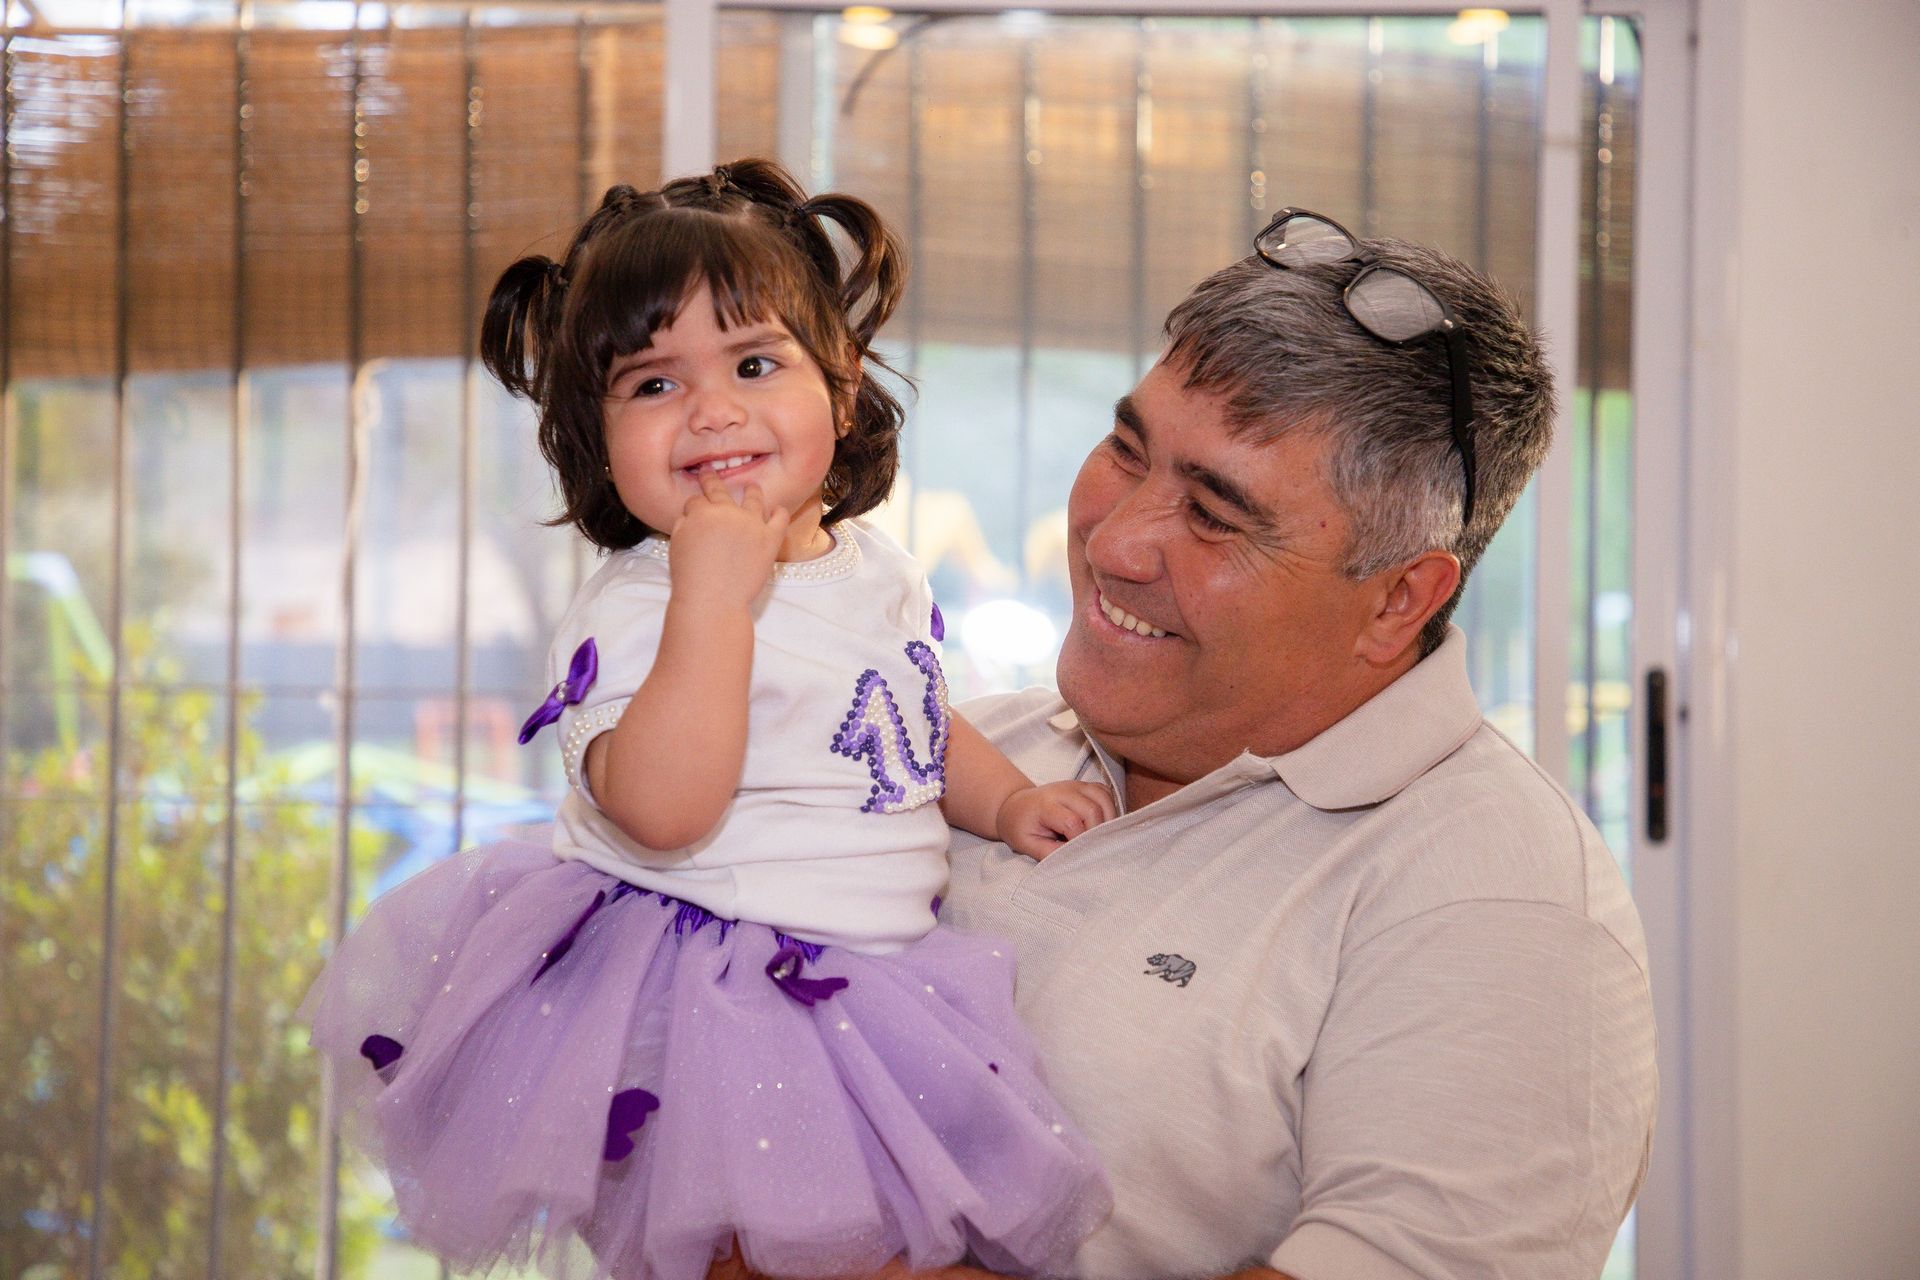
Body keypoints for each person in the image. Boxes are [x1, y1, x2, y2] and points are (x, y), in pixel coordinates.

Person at [301, 160, 1114, 1280]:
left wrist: (1008, 795)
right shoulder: (639, 607)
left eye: (753, 361)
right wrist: (711, 597)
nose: (712, 409)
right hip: (711, 988)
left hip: (876, 983)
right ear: (598, 435)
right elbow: (664, 805)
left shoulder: (876, 568)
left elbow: (908, 722)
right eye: (651, 384)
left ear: (839, 389)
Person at [937, 209, 1658, 1280]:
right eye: (1127, 448)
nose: (1115, 539)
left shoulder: (1495, 893)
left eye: (1217, 515)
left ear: (1396, 599)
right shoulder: (963, 750)